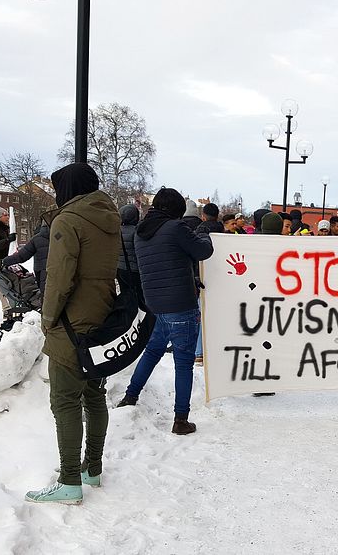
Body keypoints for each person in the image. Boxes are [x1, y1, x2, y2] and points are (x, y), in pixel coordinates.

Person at [26, 162, 120, 505]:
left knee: (64, 401)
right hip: (101, 318)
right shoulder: (109, 218)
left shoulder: (67, 220)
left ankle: (68, 482)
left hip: (72, 323)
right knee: (94, 396)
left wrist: (47, 318)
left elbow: (59, 277)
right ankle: (91, 468)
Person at [117, 188, 214, 434]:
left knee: (151, 352)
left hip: (155, 305)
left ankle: (130, 396)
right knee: (184, 364)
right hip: (181, 305)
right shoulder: (175, 228)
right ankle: (181, 420)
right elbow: (204, 251)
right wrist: (206, 235)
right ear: (175, 210)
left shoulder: (140, 232)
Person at [1, 221, 50, 293]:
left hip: (43, 275)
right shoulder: (65, 237)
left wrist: (4, 261)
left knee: (46, 298)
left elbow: (21, 256)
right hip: (64, 275)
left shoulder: (37, 239)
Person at [115, 204, 140, 288]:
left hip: (120, 268)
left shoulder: (116, 231)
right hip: (134, 269)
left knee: (125, 292)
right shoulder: (136, 231)